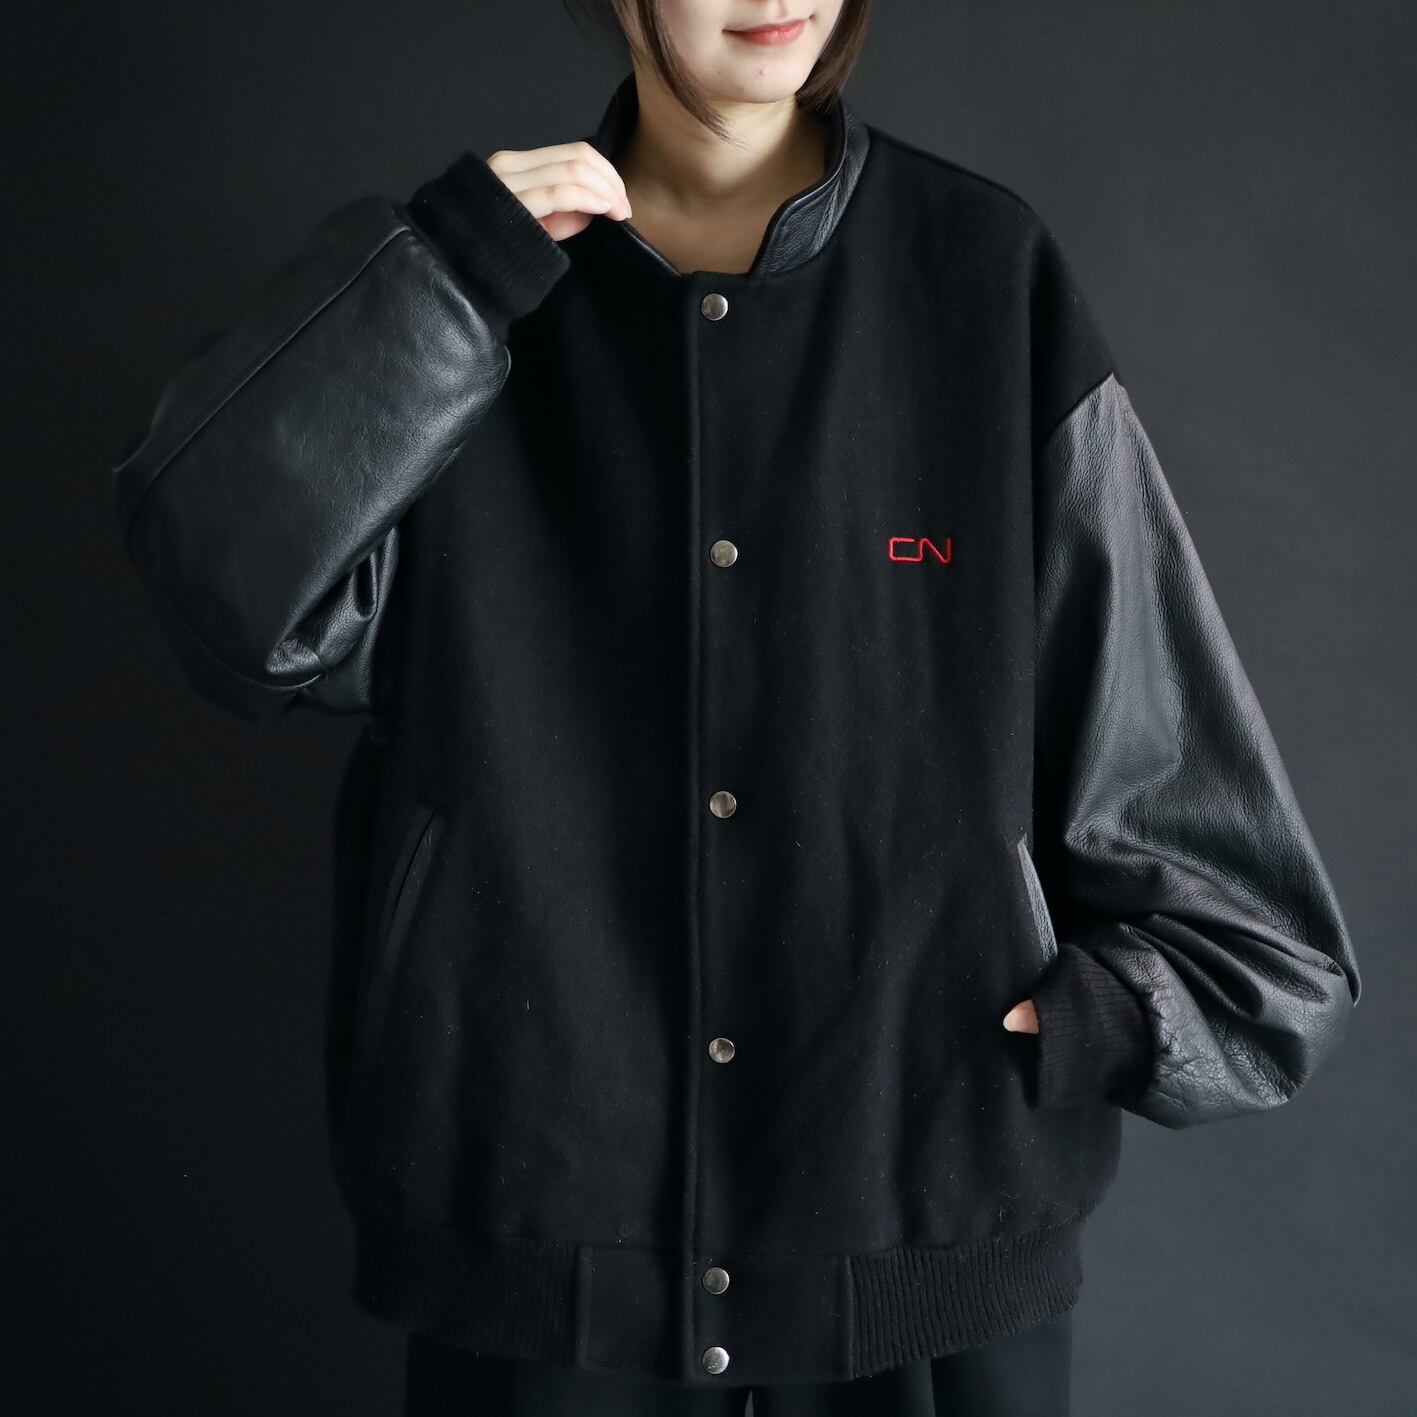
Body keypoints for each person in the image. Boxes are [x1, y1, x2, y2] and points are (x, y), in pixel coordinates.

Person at [107, 1, 1362, 1413]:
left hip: (920, 1226)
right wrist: (434, 282)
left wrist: (1099, 1017)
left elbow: (1198, 808)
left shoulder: (977, 272)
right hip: (537, 1230)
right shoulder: (466, 287)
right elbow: (228, 602)